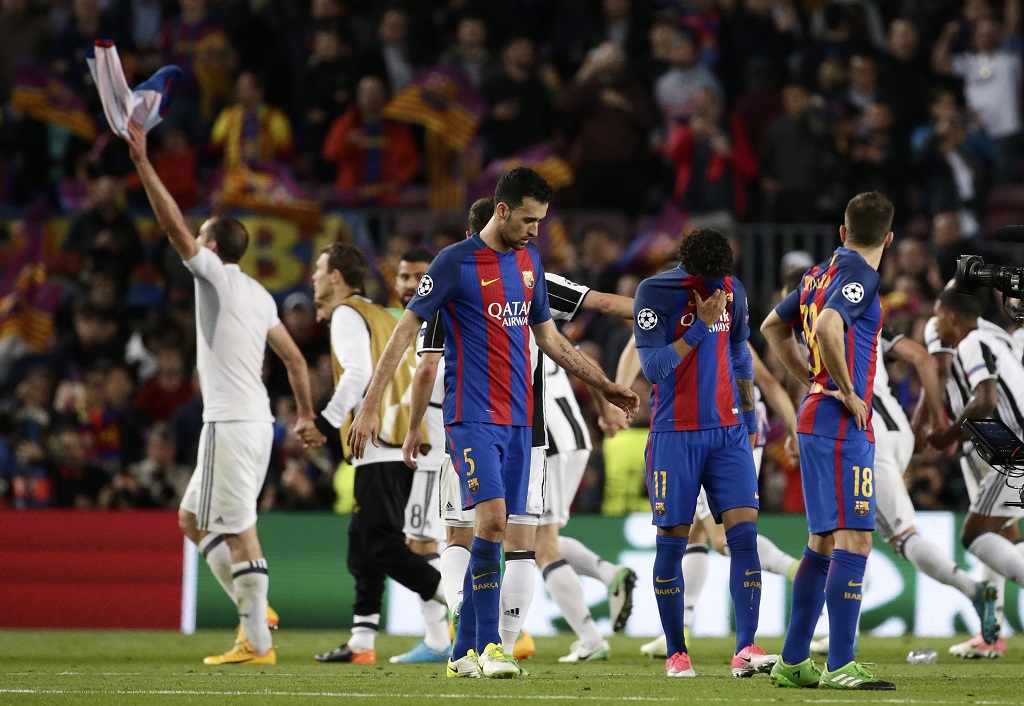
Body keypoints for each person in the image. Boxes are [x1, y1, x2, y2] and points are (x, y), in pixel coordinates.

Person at [348, 167, 639, 679]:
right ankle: (491, 647)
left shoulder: (530, 262)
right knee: (493, 523)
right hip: (472, 418)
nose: (535, 230)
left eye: (540, 221)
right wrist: (371, 405)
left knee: (508, 531)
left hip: (523, 424)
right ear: (501, 210)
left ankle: (462, 651)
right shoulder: (453, 263)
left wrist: (605, 385)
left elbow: (550, 339)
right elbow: (406, 333)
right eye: (528, 220)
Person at [122, 121, 316, 666]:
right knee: (192, 519)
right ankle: (254, 605)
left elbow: (171, 226)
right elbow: (295, 359)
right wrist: (303, 414)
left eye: (200, 237)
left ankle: (257, 642)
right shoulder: (259, 293)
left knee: (239, 533)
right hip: (255, 423)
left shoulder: (214, 277)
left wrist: (143, 162)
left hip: (230, 425)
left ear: (210, 246)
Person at [761, 190, 896, 690]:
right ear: (889, 239)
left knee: (820, 543)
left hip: (815, 415)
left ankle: (794, 660)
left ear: (843, 232)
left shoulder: (816, 274)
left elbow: (772, 326)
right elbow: (827, 325)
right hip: (840, 421)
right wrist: (845, 389)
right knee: (855, 539)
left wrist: (811, 381)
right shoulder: (862, 275)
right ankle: (841, 664)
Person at [809, 324, 998, 655]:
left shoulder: (815, 324)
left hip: (865, 434)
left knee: (899, 536)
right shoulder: (865, 319)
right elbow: (922, 358)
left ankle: (973, 590)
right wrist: (936, 418)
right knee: (852, 531)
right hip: (896, 427)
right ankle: (846, 630)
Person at [633, 228, 773, 679]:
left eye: (721, 279)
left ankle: (745, 647)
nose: (717, 287)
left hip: (728, 434)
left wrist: (748, 422)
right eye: (708, 280)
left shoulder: (733, 288)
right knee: (672, 542)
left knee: (743, 538)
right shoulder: (654, 292)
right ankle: (677, 652)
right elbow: (653, 368)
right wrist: (699, 326)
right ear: (689, 269)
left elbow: (740, 354)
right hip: (675, 435)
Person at [301, 244, 443, 666]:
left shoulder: (348, 313)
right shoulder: (381, 314)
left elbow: (358, 373)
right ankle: (361, 640)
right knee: (363, 546)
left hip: (379, 441)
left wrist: (325, 422)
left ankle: (462, 603)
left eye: (319, 270)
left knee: (382, 546)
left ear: (336, 277)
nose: (313, 277)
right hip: (397, 439)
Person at [637, 343, 802, 659]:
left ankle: (798, 571)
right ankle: (682, 626)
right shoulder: (685, 327)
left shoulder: (721, 330)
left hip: (727, 428)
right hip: (721, 425)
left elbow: (765, 380)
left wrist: (794, 430)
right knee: (695, 533)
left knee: (723, 536)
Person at [927, 289, 1024, 657]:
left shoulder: (971, 343)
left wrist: (949, 434)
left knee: (975, 534)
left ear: (951, 316)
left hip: (1012, 448)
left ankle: (991, 631)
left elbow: (985, 399)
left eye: (937, 315)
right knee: (1000, 531)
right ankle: (992, 635)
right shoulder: (996, 338)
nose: (934, 324)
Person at [387, 247, 452, 665]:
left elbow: (432, 378)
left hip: (435, 450)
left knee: (420, 544)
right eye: (404, 276)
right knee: (445, 542)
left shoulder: (437, 322)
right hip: (441, 448)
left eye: (420, 276)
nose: (411, 284)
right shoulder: (411, 324)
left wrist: (408, 426)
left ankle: (442, 638)